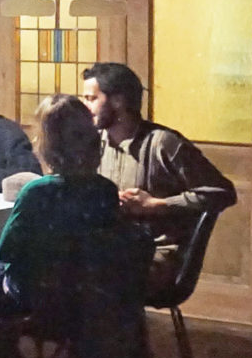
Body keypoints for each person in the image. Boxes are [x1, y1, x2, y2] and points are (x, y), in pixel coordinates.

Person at [0, 95, 155, 358]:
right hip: (83, 294)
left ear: (48, 144)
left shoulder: (37, 192)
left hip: (37, 295)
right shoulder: (104, 190)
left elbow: (9, 250)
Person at [81, 61, 237, 304]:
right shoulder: (94, 143)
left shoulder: (163, 144)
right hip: (110, 248)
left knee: (97, 279)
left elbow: (222, 192)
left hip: (156, 255)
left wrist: (157, 205)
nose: (85, 106)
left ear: (118, 101)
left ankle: (119, 329)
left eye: (91, 99)